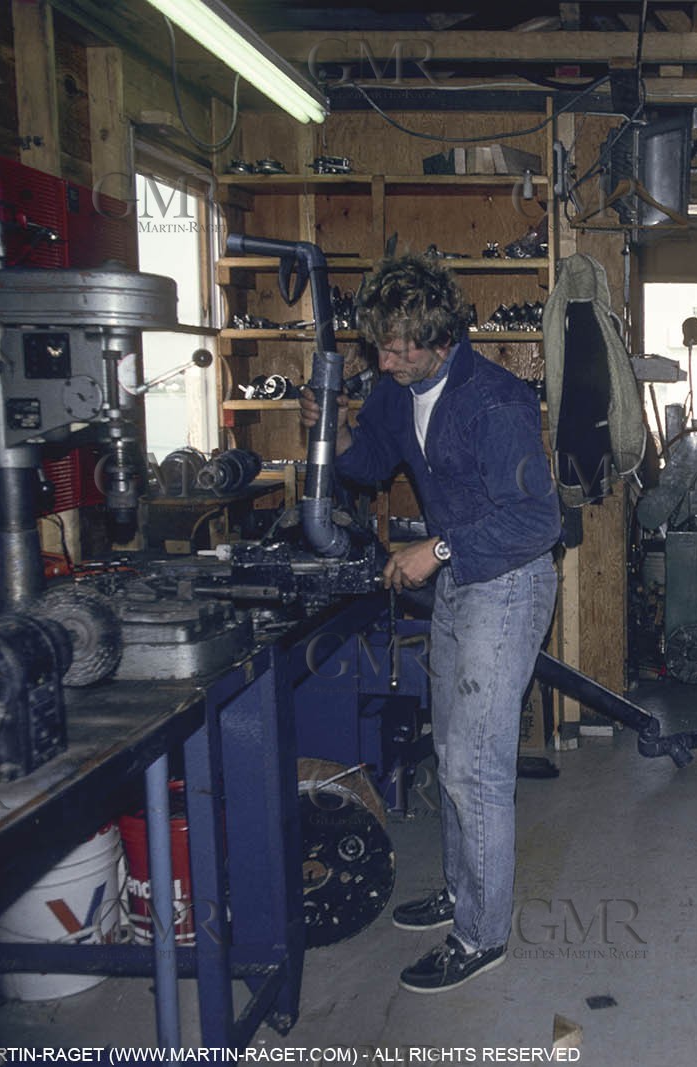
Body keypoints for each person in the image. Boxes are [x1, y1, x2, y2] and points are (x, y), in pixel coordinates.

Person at [299, 255, 560, 991]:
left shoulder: (494, 402)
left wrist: (436, 548)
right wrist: (331, 434)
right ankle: (460, 888)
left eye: (397, 348)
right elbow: (371, 461)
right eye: (378, 345)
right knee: (450, 751)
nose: (383, 360)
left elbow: (538, 521)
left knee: (477, 768)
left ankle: (480, 934)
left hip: (505, 582)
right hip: (458, 579)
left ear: (440, 340)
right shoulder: (397, 387)